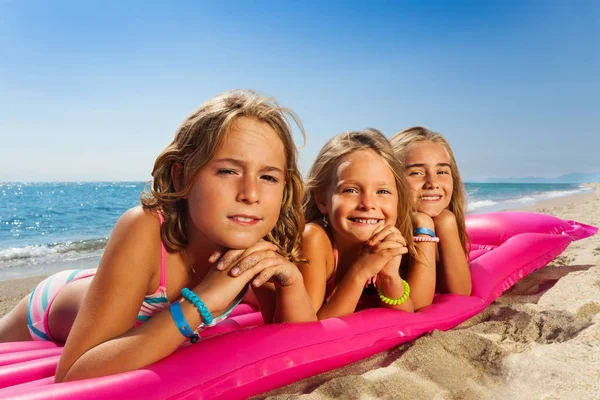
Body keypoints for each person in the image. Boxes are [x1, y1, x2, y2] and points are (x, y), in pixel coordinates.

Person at [0, 89, 316, 382]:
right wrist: (204, 300)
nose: (251, 193)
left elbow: (302, 346)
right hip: (47, 311)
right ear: (182, 175)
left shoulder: (254, 241)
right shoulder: (146, 228)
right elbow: (72, 375)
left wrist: (292, 284)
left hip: (113, 288)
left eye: (268, 177)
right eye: (228, 171)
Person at [298, 129, 437, 320]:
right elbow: (311, 330)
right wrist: (362, 270)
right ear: (322, 199)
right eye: (351, 190)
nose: (368, 204)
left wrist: (389, 277)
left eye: (382, 191)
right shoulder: (314, 239)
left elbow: (405, 316)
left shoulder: (382, 239)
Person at [390, 126, 472, 296]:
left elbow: (460, 294)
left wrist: (447, 223)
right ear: (391, 179)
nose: (432, 183)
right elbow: (417, 304)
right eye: (416, 172)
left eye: (441, 171)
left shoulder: (444, 221)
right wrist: (424, 225)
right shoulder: (384, 231)